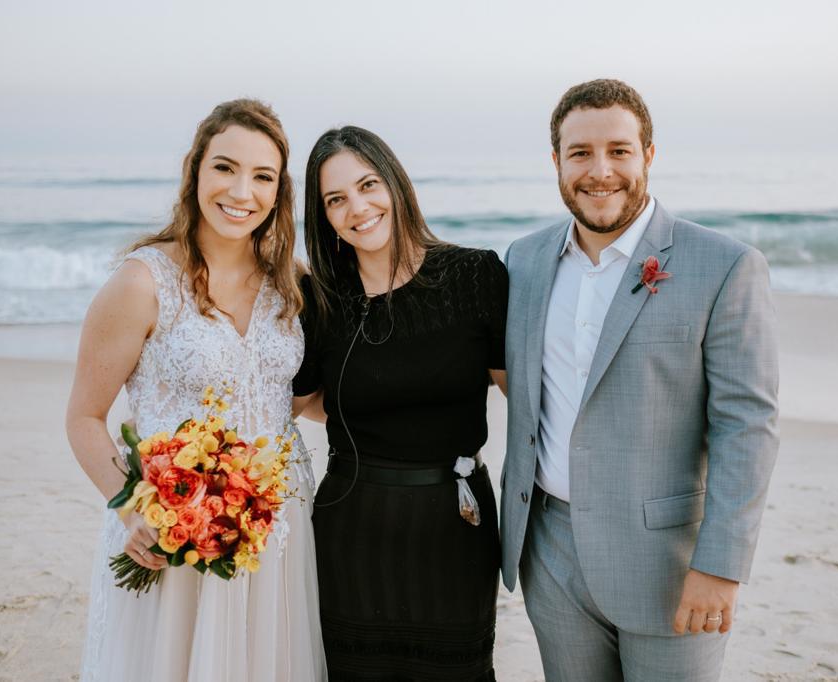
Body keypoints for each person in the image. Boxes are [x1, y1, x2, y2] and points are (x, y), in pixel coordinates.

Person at [500, 79, 780, 680]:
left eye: (619, 151)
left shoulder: (723, 265)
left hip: (669, 560)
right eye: (580, 153)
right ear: (556, 162)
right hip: (548, 550)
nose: (600, 171)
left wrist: (722, 565)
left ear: (648, 155)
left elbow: (747, 426)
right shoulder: (523, 260)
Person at [66, 99, 326, 681]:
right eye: (225, 167)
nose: (242, 191)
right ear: (195, 170)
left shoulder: (295, 284)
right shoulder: (142, 282)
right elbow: (84, 416)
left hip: (280, 532)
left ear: (278, 191)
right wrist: (131, 504)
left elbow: (302, 400)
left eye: (263, 177)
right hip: (174, 529)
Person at [293, 126, 507, 681]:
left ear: (395, 183)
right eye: (335, 199)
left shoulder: (475, 275)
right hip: (351, 524)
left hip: (454, 522)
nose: (357, 208)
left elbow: (523, 393)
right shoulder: (322, 301)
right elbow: (304, 403)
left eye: (367, 185)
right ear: (324, 217)